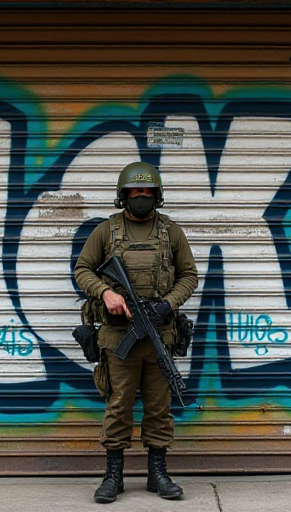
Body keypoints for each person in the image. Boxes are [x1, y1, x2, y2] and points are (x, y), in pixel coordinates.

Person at [73, 161, 199, 504]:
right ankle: (113, 474)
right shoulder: (107, 231)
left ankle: (157, 473)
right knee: (118, 404)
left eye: (146, 192)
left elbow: (189, 276)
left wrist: (167, 305)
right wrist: (105, 293)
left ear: (156, 196)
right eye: (134, 192)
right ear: (123, 195)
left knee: (159, 406)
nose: (140, 197)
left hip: (159, 334)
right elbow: (82, 269)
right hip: (118, 337)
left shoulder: (170, 231)